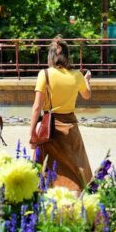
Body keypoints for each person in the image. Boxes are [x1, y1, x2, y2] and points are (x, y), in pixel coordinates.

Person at [29, 37, 92, 193]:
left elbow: (37, 107)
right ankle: (77, 206)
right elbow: (87, 95)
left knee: (43, 171)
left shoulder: (45, 74)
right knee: (77, 171)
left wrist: (32, 134)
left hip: (49, 128)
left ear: (50, 56)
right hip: (71, 127)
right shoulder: (77, 75)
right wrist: (87, 80)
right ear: (67, 55)